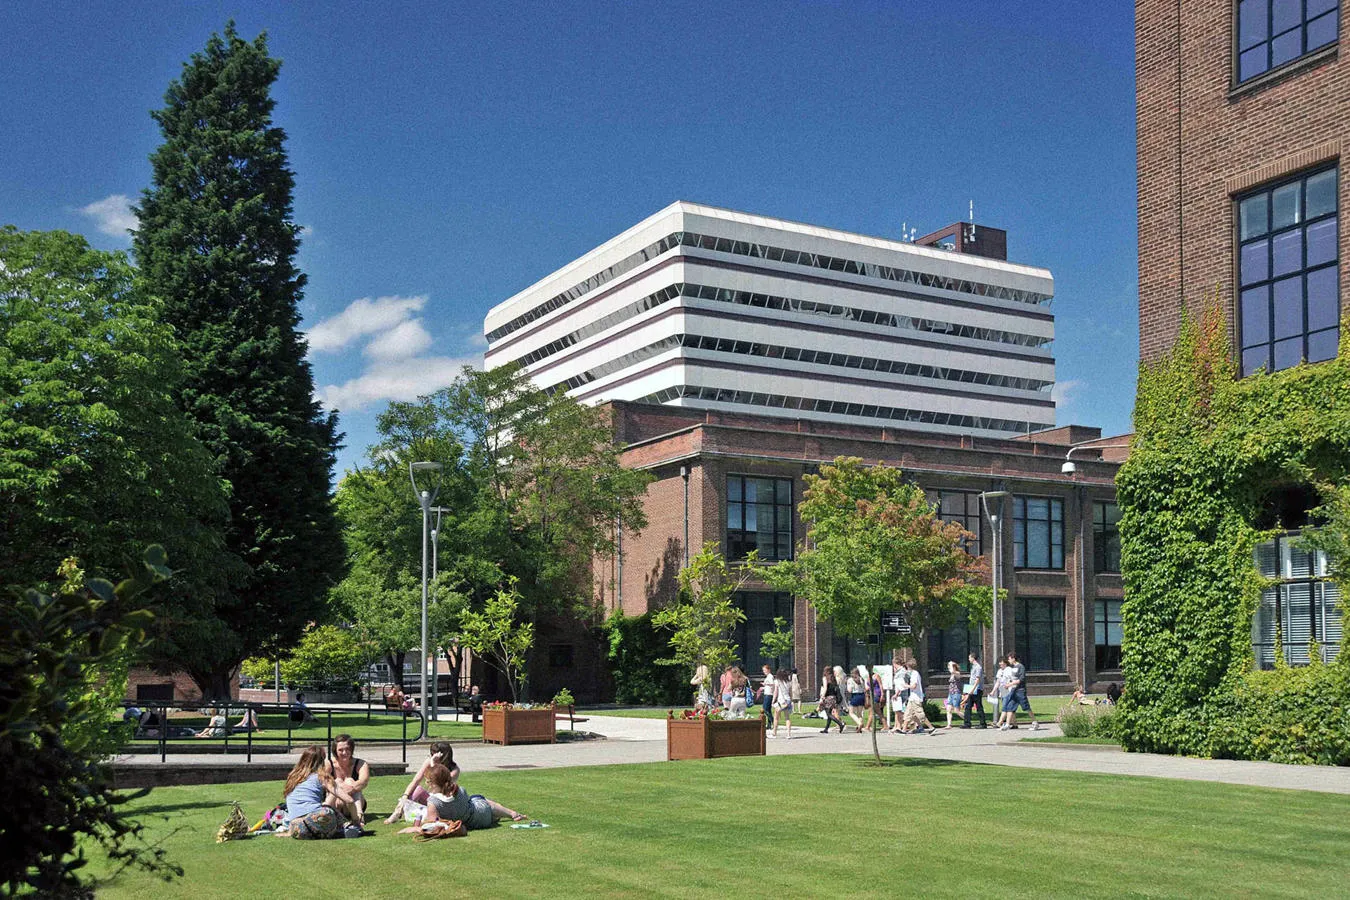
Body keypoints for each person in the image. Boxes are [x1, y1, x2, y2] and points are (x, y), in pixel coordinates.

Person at [283, 745, 356, 839]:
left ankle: (334, 832)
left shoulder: (293, 777)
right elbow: (349, 800)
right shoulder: (322, 777)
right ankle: (349, 827)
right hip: (316, 819)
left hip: (295, 828)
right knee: (328, 810)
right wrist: (356, 820)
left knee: (320, 814)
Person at [385, 741, 462, 824]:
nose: (432, 756)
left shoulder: (454, 770)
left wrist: (433, 764)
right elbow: (416, 780)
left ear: (442, 755)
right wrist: (405, 796)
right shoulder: (429, 762)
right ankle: (398, 812)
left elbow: (439, 783)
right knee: (418, 789)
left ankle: (428, 816)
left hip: (444, 802)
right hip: (431, 799)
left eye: (433, 754)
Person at [325, 734, 371, 825]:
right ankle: (325, 814)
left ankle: (359, 816)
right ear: (335, 750)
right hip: (335, 803)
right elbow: (323, 781)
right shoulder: (328, 763)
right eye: (340, 750)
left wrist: (350, 788)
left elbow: (364, 781)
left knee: (350, 781)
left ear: (352, 749)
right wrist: (340, 789)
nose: (344, 753)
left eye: (347, 749)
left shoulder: (361, 763)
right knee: (337, 781)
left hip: (354, 802)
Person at [999, 652, 1039, 731]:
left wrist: (1010, 684)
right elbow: (1012, 678)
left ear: (1013, 658)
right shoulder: (1012, 667)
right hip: (1013, 690)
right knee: (1010, 706)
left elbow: (1021, 679)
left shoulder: (1021, 667)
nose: (1008, 660)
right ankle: (1007, 724)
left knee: (1026, 707)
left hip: (1020, 690)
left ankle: (1035, 722)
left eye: (1009, 658)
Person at [962, 652, 987, 729]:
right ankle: (967, 723)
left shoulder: (978, 667)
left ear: (973, 658)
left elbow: (977, 680)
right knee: (968, 706)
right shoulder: (973, 667)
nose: (969, 659)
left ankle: (983, 724)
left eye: (969, 658)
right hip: (971, 689)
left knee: (979, 706)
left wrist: (973, 689)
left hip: (977, 689)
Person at [818, 666, 846, 734]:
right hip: (833, 698)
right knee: (829, 714)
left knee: (828, 714)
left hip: (828, 697)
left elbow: (825, 688)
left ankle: (840, 724)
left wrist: (822, 697)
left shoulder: (825, 678)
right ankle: (826, 729)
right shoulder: (833, 678)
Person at [771, 667, 793, 739]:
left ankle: (774, 733)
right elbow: (790, 692)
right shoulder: (789, 682)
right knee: (787, 718)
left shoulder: (777, 681)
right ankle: (789, 734)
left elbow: (775, 692)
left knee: (776, 717)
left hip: (781, 701)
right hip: (788, 700)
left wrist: (773, 701)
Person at [942, 661, 964, 728]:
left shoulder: (957, 673)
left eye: (949, 666)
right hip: (951, 694)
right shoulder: (952, 675)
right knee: (948, 709)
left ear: (954, 667)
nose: (948, 668)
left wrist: (951, 664)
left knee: (956, 711)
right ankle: (949, 725)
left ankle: (967, 719)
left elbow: (952, 671)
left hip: (956, 693)